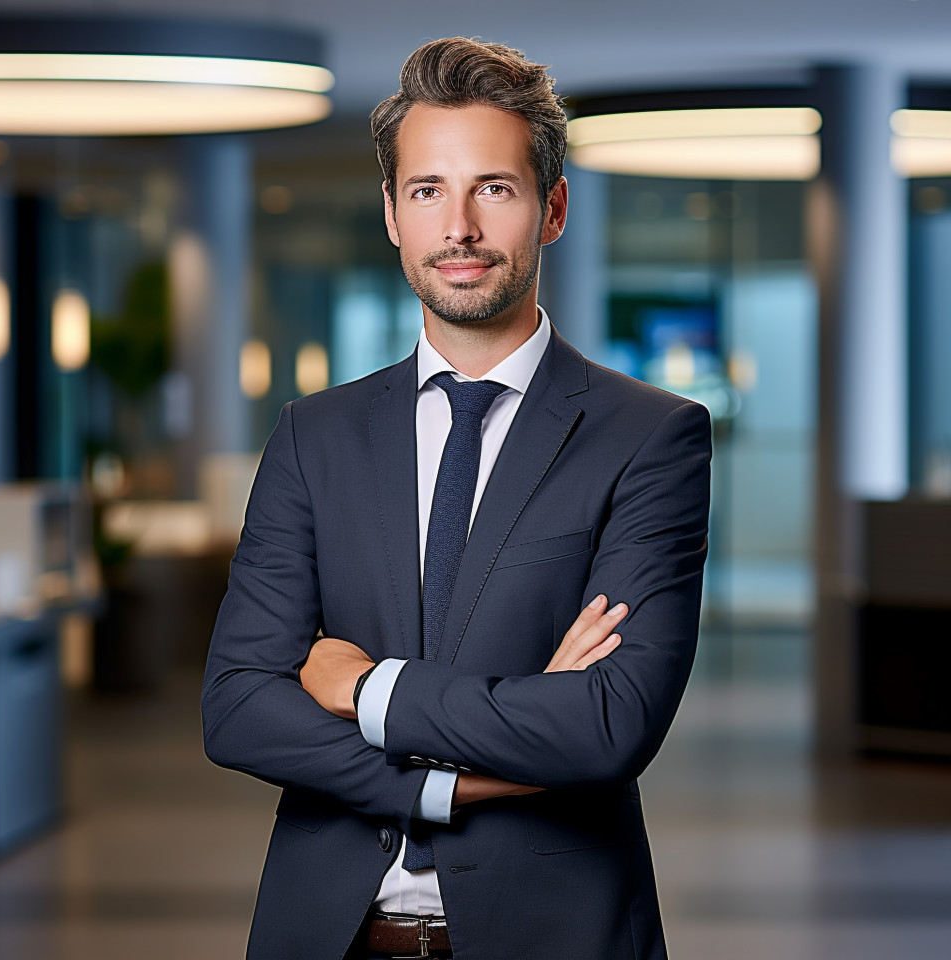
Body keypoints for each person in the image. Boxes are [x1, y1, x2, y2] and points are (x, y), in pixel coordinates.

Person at [202, 37, 711, 960]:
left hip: (555, 935)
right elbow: (238, 705)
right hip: (329, 933)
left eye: (496, 188)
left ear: (551, 209)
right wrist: (454, 781)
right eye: (429, 190)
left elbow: (607, 723)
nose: (461, 228)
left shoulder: (650, 436)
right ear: (393, 214)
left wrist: (361, 686)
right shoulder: (314, 436)